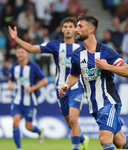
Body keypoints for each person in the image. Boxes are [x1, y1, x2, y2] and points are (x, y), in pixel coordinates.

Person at [59, 14, 128, 150]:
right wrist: (66, 85)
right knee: (120, 142)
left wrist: (107, 66)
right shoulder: (77, 55)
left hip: (108, 102)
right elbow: (74, 75)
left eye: (80, 26)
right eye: (77, 26)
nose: (76, 29)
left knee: (104, 139)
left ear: (91, 30)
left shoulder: (106, 51)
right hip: (94, 105)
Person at [8, 17, 89, 150]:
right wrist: (16, 39)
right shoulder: (56, 45)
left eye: (70, 26)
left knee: (74, 120)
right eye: (65, 26)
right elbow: (32, 48)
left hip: (76, 88)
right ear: (62, 29)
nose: (68, 29)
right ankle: (82, 140)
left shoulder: (82, 47)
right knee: (71, 124)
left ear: (75, 29)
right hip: (60, 90)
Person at [8, 46, 48, 150]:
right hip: (17, 100)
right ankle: (19, 148)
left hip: (30, 101)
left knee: (28, 127)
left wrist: (32, 88)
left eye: (22, 52)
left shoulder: (33, 66)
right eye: (19, 52)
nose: (20, 54)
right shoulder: (14, 68)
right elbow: (12, 79)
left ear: (26, 54)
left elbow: (44, 81)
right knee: (15, 122)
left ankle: (39, 131)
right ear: (16, 55)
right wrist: (10, 84)